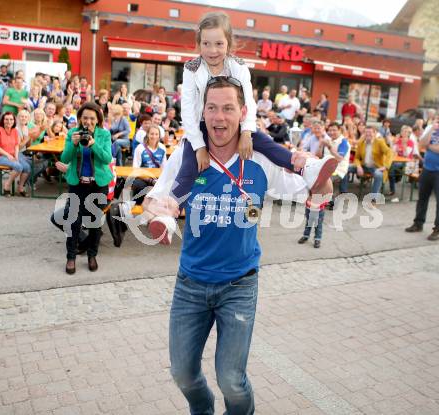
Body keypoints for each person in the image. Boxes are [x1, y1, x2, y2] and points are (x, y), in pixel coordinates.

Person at [141, 76, 334, 414]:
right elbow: (158, 196)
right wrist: (156, 208)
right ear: (202, 113)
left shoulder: (258, 159)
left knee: (231, 379)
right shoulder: (189, 157)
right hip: (191, 283)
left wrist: (318, 176)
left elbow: (313, 191)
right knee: (182, 374)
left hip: (239, 285)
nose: (219, 117)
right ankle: (203, 409)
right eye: (212, 108)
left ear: (243, 113)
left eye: (228, 108)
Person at [159, 11, 337, 244]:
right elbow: (189, 110)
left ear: (229, 43)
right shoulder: (192, 68)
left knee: (267, 145)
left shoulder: (238, 66)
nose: (213, 50)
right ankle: (170, 212)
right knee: (189, 166)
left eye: (219, 43)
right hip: (203, 124)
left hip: (238, 123)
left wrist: (246, 133)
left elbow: (249, 104)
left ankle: (306, 168)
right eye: (206, 43)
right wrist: (199, 146)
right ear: (198, 44)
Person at [59, 102, 113, 274]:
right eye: (85, 118)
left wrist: (93, 144)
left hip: (98, 185)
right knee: (73, 222)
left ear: (97, 120)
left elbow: (106, 159)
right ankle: (71, 257)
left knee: (95, 223)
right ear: (80, 119)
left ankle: (92, 255)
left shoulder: (104, 134)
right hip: (78, 184)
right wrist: (73, 144)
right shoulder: (72, 133)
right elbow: (65, 158)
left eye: (91, 118)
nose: (88, 122)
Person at [405, 117, 439, 240]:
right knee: (422, 198)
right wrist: (431, 130)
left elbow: (428, 146)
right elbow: (420, 144)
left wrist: (428, 146)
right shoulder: (431, 128)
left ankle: (437, 229)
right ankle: (418, 223)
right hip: (427, 169)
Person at [340, 125, 392, 200]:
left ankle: (374, 197)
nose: (368, 134)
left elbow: (389, 152)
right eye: (366, 132)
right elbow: (357, 158)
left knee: (378, 174)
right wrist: (358, 166)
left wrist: (386, 166)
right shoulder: (361, 143)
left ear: (374, 133)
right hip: (363, 166)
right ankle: (343, 192)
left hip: (375, 167)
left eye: (370, 132)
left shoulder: (379, 142)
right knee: (345, 168)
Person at [131, 125, 167, 205]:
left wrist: (160, 180)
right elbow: (136, 169)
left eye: (156, 134)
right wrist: (151, 180)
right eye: (152, 134)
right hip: (142, 177)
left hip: (156, 177)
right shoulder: (140, 148)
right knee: (139, 186)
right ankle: (138, 208)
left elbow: (164, 168)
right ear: (147, 134)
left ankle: (159, 211)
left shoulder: (162, 148)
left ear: (159, 136)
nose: (154, 136)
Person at [0, 112, 31, 196]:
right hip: (1, 156)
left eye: (11, 119)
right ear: (3, 120)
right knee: (18, 166)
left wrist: (16, 156)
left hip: (13, 154)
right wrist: (8, 155)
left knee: (27, 167)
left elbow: (16, 145)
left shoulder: (14, 131)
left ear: (14, 121)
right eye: (6, 119)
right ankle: (7, 186)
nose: (9, 121)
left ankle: (20, 188)